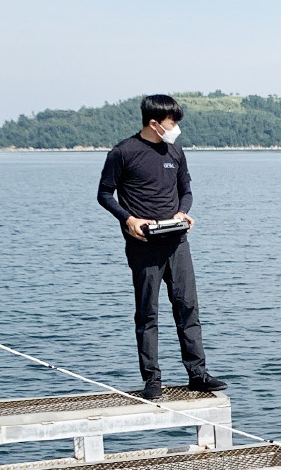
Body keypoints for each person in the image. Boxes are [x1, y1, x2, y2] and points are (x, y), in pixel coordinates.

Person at [97, 94, 227, 399]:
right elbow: (104, 195)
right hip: (144, 244)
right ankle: (152, 381)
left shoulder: (176, 152)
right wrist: (128, 219)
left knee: (187, 308)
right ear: (154, 123)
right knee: (147, 313)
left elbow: (186, 190)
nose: (177, 127)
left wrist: (183, 212)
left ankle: (198, 374)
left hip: (178, 242)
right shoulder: (123, 152)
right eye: (173, 122)